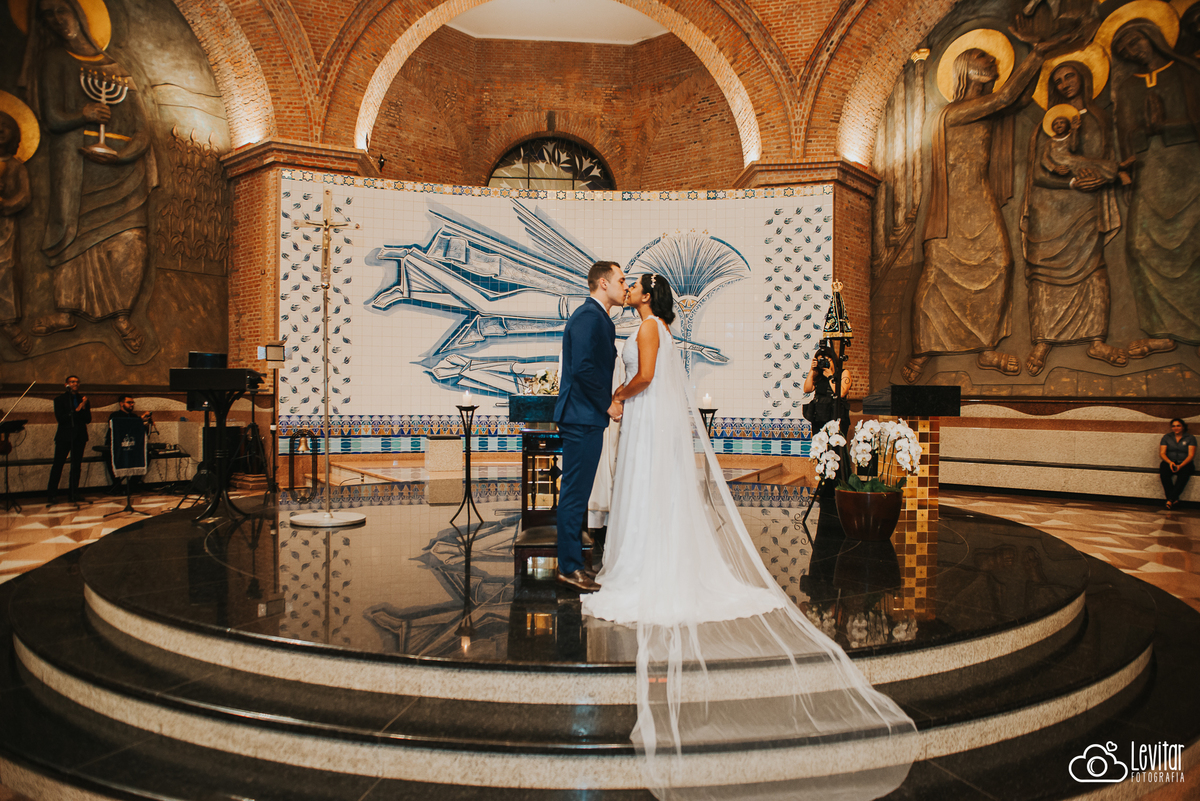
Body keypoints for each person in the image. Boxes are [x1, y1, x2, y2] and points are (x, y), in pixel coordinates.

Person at [583, 274, 916, 800]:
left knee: (645, 489)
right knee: (651, 493)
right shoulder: (659, 328)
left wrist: (617, 395)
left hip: (643, 417)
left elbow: (644, 377)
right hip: (649, 421)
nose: (629, 289)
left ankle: (644, 563)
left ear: (649, 295)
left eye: (636, 285)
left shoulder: (648, 329)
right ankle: (651, 554)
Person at [19, 0, 156, 353]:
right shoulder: (54, 60)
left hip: (121, 173)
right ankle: (66, 311)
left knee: (131, 240)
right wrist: (83, 113)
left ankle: (123, 315)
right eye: (47, 16)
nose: (55, 19)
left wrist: (122, 155)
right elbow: (52, 118)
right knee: (73, 236)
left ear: (78, 13)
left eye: (60, 10)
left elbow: (142, 127)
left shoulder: (117, 69)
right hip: (76, 168)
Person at [1020, 58, 1127, 376]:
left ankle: (1097, 341)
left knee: (1092, 267)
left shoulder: (1099, 118)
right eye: (1058, 81)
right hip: (1048, 210)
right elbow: (1037, 174)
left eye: (1070, 77)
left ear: (1084, 78)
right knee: (1043, 274)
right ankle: (1042, 341)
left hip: (1084, 207)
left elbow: (1105, 156)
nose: (1065, 84)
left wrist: (1100, 179)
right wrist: (1070, 183)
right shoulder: (1046, 125)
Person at [1108, 16, 1200, 360]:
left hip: (1189, 168)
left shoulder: (1187, 72)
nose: (1133, 51)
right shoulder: (1127, 88)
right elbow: (1124, 136)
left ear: (1153, 36)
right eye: (1125, 50)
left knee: (1195, 248)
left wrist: (1167, 126)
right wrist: (1128, 174)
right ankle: (1163, 332)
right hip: (1149, 170)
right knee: (1140, 246)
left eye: (1136, 41)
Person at [552, 260, 625, 593]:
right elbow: (582, 368)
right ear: (603, 283)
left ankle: (573, 563)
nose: (626, 286)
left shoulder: (599, 318)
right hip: (580, 416)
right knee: (574, 494)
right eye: (621, 280)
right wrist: (607, 403)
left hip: (585, 416)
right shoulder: (587, 316)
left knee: (577, 493)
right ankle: (569, 568)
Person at [0, 110, 32, 355]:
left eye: (5, 126)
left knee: (5, 269)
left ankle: (8, 322)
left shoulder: (15, 166)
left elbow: (24, 196)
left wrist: (5, 204)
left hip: (5, 227)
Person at [47, 374, 90, 504]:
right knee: (58, 464)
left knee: (76, 466)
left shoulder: (83, 399)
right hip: (64, 436)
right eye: (72, 382)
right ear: (66, 385)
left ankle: (73, 493)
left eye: (77, 382)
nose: (75, 384)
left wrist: (83, 407)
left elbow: (88, 419)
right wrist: (78, 409)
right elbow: (61, 419)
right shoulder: (60, 400)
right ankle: (51, 494)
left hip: (80, 436)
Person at [802, 343, 852, 436]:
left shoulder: (843, 373)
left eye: (825, 360)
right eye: (820, 360)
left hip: (836, 415)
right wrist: (812, 370)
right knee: (819, 443)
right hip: (819, 416)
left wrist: (830, 376)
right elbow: (807, 389)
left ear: (833, 359)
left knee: (836, 442)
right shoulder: (819, 375)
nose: (823, 363)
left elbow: (841, 393)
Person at [104, 394, 152, 489]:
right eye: (129, 402)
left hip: (132, 445)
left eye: (133, 402)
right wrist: (139, 420)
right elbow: (121, 426)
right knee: (109, 456)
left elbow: (138, 433)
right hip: (117, 445)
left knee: (147, 456)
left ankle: (132, 485)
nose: (132, 405)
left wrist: (145, 424)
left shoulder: (134, 416)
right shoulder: (115, 415)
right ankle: (117, 485)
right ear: (121, 404)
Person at [1159, 418, 1196, 510]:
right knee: (1164, 474)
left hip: (1185, 463)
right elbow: (1162, 453)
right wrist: (1170, 462)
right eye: (1173, 426)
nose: (1176, 428)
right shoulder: (1167, 437)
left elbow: (1191, 455)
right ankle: (1173, 499)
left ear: (1183, 427)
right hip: (1170, 461)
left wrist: (1181, 465)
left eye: (1178, 426)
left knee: (1183, 477)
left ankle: (1170, 499)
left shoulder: (1190, 438)